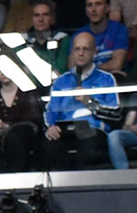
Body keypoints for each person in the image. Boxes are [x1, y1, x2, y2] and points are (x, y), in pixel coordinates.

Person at [43, 31, 119, 170]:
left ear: (94, 52)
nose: (81, 53)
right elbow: (51, 111)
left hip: (93, 130)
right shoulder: (61, 81)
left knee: (87, 149)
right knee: (49, 146)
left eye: (86, 49)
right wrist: (51, 126)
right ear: (72, 52)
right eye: (77, 49)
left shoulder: (106, 79)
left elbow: (115, 114)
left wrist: (89, 102)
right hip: (65, 131)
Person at [0, 67, 44, 171]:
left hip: (27, 149)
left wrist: (8, 127)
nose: (3, 73)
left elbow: (35, 122)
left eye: (6, 67)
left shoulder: (28, 93)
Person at [73, 0, 130, 76]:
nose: (93, 9)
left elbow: (117, 64)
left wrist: (88, 69)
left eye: (98, 4)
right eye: (89, 5)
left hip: (113, 80)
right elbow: (73, 66)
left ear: (107, 8)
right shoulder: (78, 35)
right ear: (86, 11)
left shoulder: (119, 29)